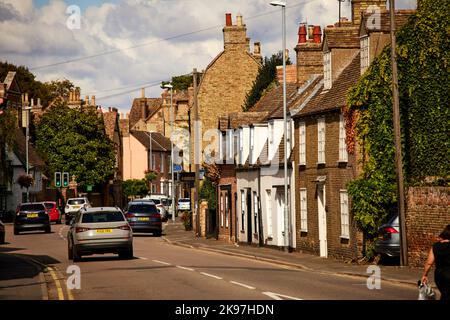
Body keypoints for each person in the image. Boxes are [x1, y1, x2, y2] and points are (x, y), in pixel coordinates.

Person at [421, 224, 450, 300]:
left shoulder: (436, 246)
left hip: (439, 276)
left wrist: (425, 275)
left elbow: (429, 263)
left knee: (445, 294)